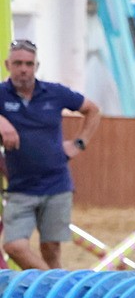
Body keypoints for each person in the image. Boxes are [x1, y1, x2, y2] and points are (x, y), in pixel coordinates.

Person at [0, 40, 101, 270]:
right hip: (20, 187)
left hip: (56, 184)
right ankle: (54, 287)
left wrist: (79, 143)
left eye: (28, 63)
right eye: (17, 63)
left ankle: (55, 296)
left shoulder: (55, 93)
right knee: (14, 246)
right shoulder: (1, 95)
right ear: (8, 65)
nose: (23, 69)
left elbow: (93, 110)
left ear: (36, 66)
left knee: (52, 249)